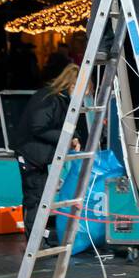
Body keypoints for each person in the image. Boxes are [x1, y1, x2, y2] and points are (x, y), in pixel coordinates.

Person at [10, 64, 89, 242]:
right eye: (83, 90)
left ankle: (38, 237)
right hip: (30, 152)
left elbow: (63, 125)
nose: (84, 96)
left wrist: (73, 137)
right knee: (35, 196)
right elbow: (38, 127)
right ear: (72, 86)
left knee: (40, 194)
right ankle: (34, 239)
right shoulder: (48, 98)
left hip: (39, 154)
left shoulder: (62, 100)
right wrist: (66, 139)